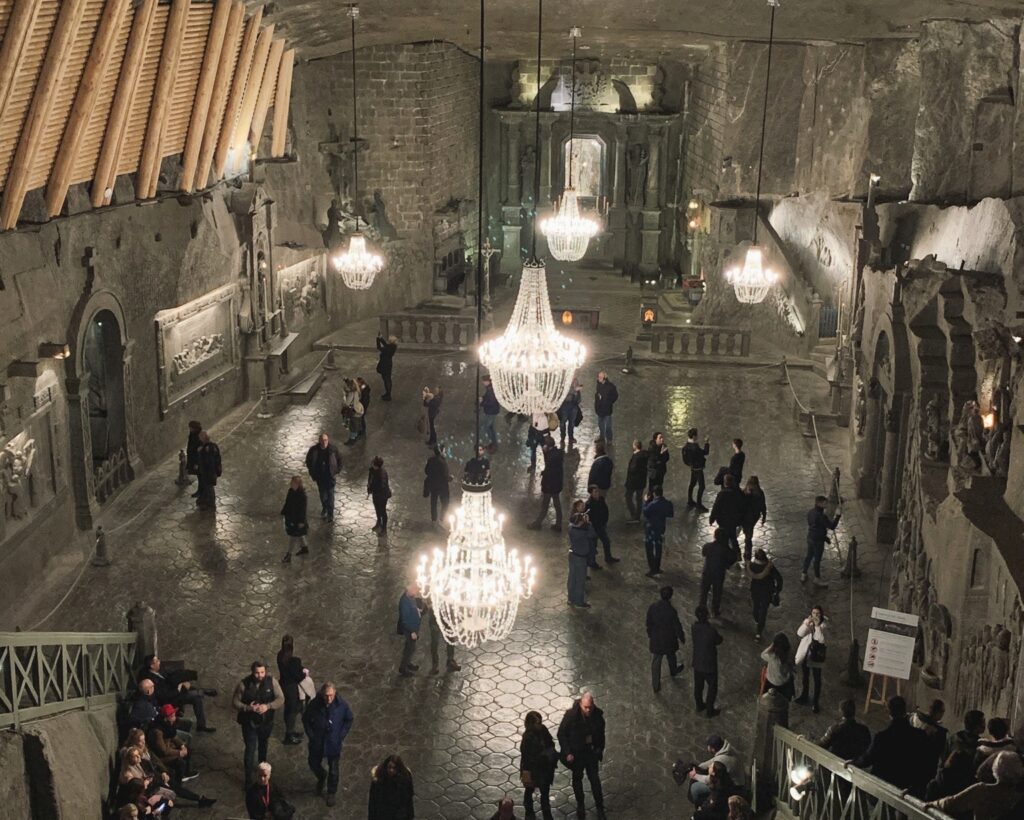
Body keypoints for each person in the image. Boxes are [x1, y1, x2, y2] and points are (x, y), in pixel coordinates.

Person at [853, 695, 933, 797]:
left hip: (883, 791)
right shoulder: (920, 736)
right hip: (909, 791)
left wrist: (853, 762)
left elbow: (867, 759)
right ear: (905, 711)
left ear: (889, 712)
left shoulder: (882, 737)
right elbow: (927, 763)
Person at [232, 660, 285, 786]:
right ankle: (248, 780)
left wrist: (268, 706)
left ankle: (263, 774)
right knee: (250, 750)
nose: (260, 675)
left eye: (262, 672)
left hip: (266, 723)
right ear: (252, 672)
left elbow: (281, 698)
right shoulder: (243, 684)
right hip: (249, 723)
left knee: (263, 747)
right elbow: (235, 702)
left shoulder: (272, 682)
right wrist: (248, 708)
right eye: (257, 673)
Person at [926, 751, 1024, 820]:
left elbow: (951, 804)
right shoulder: (1018, 798)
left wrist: (933, 804)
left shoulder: (982, 791)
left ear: (995, 768)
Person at [302, 682, 355, 807]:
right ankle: (321, 776)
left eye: (331, 695)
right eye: (326, 696)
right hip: (317, 742)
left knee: (334, 770)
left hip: (333, 742)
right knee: (313, 763)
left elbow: (349, 719)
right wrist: (311, 735)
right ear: (322, 694)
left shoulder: (341, 705)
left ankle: (331, 792)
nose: (329, 698)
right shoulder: (314, 705)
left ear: (335, 693)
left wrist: (340, 735)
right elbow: (306, 720)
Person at [558, 692, 606, 820]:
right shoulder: (571, 716)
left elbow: (601, 734)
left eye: (590, 707)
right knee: (577, 779)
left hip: (590, 753)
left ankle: (600, 807)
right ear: (580, 705)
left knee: (595, 780)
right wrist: (568, 752)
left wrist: (599, 749)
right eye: (586, 707)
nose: (588, 710)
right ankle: (580, 805)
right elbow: (561, 733)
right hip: (577, 754)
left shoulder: (597, 716)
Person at [139, 655, 213, 733]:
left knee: (195, 697)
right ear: (152, 666)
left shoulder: (160, 670)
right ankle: (202, 692)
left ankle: (201, 726)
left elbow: (171, 677)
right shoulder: (151, 681)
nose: (159, 662)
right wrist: (179, 687)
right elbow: (164, 696)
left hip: (174, 691)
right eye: (157, 661)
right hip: (170, 700)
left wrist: (182, 681)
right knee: (195, 697)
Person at [927, 710, 987, 800]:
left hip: (944, 783)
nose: (984, 725)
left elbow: (942, 760)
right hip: (962, 790)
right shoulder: (980, 746)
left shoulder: (953, 738)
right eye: (983, 721)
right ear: (976, 726)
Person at [647, 585, 685, 692]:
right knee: (671, 656)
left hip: (656, 639)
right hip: (669, 639)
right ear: (670, 596)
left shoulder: (653, 607)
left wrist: (650, 634)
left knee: (656, 662)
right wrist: (681, 637)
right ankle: (673, 670)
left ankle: (656, 685)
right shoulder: (671, 611)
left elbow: (648, 622)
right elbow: (677, 626)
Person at [520, 711, 557, 820]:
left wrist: (549, 752)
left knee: (545, 790)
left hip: (544, 768)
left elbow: (551, 742)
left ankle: (546, 809)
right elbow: (527, 756)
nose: (540, 725)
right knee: (529, 789)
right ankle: (529, 810)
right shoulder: (527, 737)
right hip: (533, 769)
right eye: (538, 723)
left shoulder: (543, 730)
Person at [688, 734, 745, 805]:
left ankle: (700, 805)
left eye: (708, 746)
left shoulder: (721, 763)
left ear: (712, 749)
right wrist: (698, 767)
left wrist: (695, 776)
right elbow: (712, 761)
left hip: (733, 788)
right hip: (738, 779)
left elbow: (712, 780)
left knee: (695, 788)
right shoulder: (727, 750)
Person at [794, 605, 828, 712]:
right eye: (814, 613)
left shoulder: (824, 625)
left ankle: (815, 702)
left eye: (818, 613)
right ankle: (804, 695)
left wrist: (817, 627)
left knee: (817, 679)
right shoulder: (808, 622)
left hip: (817, 656)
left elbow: (821, 640)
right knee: (805, 676)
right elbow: (800, 633)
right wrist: (806, 623)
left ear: (821, 614)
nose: (815, 615)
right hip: (806, 653)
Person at [692, 605, 722, 717]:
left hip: (697, 662)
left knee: (698, 686)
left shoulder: (694, 628)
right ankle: (710, 710)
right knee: (712, 687)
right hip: (709, 663)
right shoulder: (711, 631)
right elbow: (718, 640)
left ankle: (699, 705)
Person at [802, 494, 840, 584]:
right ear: (819, 504)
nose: (826, 504)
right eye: (824, 503)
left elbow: (815, 527)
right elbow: (832, 526)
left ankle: (804, 573)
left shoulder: (811, 512)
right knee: (817, 559)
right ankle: (817, 578)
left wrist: (825, 537)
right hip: (818, 541)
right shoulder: (821, 516)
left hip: (810, 537)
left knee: (809, 556)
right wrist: (838, 516)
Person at [529, 437, 564, 531]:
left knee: (545, 505)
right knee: (557, 504)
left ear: (548, 446)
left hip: (550, 485)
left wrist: (545, 453)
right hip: (556, 484)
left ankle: (537, 523)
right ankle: (558, 524)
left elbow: (548, 467)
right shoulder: (557, 453)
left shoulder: (551, 456)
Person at [276, 635, 306, 745]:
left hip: (284, 685)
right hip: (292, 688)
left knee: (288, 709)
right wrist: (303, 672)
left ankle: (291, 732)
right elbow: (298, 676)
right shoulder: (294, 661)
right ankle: (289, 734)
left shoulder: (280, 656)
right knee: (292, 711)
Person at [305, 433, 341, 522]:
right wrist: (312, 472)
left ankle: (330, 514)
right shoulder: (314, 450)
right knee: (323, 496)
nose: (324, 442)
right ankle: (325, 508)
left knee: (330, 496)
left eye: (326, 440)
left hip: (330, 478)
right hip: (320, 478)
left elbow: (339, 460)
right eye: (322, 440)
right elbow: (309, 461)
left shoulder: (333, 449)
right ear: (319, 441)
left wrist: (336, 471)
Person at [748, 548, 782, 640]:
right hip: (766, 592)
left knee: (756, 607)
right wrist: (777, 590)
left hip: (755, 591)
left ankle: (756, 619)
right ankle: (759, 632)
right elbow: (779, 579)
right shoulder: (770, 567)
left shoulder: (751, 566)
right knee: (763, 611)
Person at [421, 595, 460, 675]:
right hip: (435, 621)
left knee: (450, 639)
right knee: (435, 643)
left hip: (446, 619)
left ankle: (450, 660)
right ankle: (435, 665)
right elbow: (427, 603)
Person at [368, 754, 415, 819]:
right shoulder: (378, 781)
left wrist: (410, 815)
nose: (391, 770)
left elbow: (409, 799)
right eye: (389, 767)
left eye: (394, 768)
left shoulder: (405, 779)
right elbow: (372, 802)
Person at [910, 699, 948, 778]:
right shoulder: (940, 732)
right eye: (942, 711)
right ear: (937, 712)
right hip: (929, 767)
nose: (943, 714)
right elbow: (941, 753)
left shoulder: (915, 719)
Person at [709, 473, 743, 561]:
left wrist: (712, 518)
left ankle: (724, 555)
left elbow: (716, 506)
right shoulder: (738, 492)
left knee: (723, 538)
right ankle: (738, 554)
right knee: (733, 537)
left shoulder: (722, 493)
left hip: (723, 520)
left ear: (725, 483)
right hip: (733, 520)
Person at [700, 528, 733, 617]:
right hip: (719, 574)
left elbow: (703, 553)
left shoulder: (707, 546)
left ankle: (702, 608)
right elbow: (731, 560)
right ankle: (715, 610)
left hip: (707, 571)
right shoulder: (726, 550)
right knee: (717, 593)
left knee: (704, 591)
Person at [642, 485, 674, 577]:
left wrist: (645, 502)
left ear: (655, 494)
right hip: (661, 528)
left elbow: (645, 512)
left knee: (649, 548)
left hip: (651, 528)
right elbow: (670, 514)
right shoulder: (668, 503)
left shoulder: (652, 504)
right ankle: (657, 567)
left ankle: (652, 568)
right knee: (658, 547)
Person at [585, 484, 619, 565]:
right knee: (593, 545)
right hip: (594, 527)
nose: (597, 493)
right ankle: (592, 562)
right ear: (591, 493)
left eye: (597, 491)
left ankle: (608, 557)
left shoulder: (601, 499)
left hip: (601, 525)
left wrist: (605, 521)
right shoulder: (589, 504)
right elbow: (588, 517)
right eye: (595, 492)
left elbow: (605, 510)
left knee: (606, 541)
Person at [567, 509, 593, 608]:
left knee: (572, 578)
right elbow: (592, 534)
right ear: (579, 523)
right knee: (580, 580)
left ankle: (570, 599)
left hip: (572, 554)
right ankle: (579, 601)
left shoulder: (571, 527)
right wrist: (588, 523)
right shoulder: (582, 533)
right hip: (580, 557)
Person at [280, 476, 309, 563]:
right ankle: (304, 548)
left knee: (293, 537)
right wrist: (284, 511)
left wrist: (301, 521)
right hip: (291, 518)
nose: (291, 484)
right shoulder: (291, 491)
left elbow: (303, 510)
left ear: (298, 484)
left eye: (293, 483)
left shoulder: (302, 496)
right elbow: (287, 502)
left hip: (298, 519)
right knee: (299, 534)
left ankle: (288, 555)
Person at [682, 428, 710, 512]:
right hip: (698, 469)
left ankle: (690, 500)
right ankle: (699, 504)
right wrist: (707, 443)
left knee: (692, 484)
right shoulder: (695, 447)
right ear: (694, 436)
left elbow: (685, 459)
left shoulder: (686, 446)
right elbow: (705, 452)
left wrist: (690, 464)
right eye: (696, 435)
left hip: (693, 468)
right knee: (702, 486)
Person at [739, 476, 766, 563]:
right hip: (754, 517)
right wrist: (764, 516)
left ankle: (747, 553)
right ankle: (748, 554)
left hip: (746, 517)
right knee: (748, 534)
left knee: (748, 534)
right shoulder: (760, 493)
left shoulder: (744, 492)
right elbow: (763, 505)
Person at [760, 633, 795, 699]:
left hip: (771, 681)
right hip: (784, 682)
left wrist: (771, 646)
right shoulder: (789, 655)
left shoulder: (773, 656)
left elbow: (763, 654)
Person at [397, 583, 422, 677]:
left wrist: (417, 611)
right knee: (409, 649)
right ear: (409, 590)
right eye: (414, 590)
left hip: (414, 628)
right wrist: (412, 632)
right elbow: (404, 619)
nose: (416, 592)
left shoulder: (410, 597)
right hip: (410, 630)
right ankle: (403, 668)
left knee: (411, 648)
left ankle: (408, 663)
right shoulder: (404, 602)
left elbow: (413, 607)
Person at [424, 447, 451, 528]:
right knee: (445, 503)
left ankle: (434, 519)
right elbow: (445, 475)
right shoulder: (443, 462)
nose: (445, 453)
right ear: (441, 452)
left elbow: (426, 471)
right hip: (442, 486)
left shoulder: (430, 460)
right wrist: (450, 478)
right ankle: (441, 519)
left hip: (433, 484)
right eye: (444, 451)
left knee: (433, 502)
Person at [195, 430, 222, 510]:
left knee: (209, 487)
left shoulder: (208, 448)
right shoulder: (211, 446)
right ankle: (206, 501)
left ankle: (211, 504)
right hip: (208, 471)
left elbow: (209, 461)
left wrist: (201, 451)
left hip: (209, 472)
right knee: (207, 487)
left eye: (200, 438)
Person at [624, 439, 649, 522]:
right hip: (641, 482)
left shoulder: (636, 457)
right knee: (639, 499)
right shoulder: (645, 455)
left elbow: (632, 469)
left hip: (633, 483)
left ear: (635, 446)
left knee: (628, 497)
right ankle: (638, 515)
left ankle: (633, 513)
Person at [368, 455, 391, 535]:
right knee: (377, 509)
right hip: (376, 494)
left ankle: (384, 529)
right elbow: (370, 480)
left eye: (373, 462)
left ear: (376, 464)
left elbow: (382, 486)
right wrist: (369, 488)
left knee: (383, 511)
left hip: (382, 495)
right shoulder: (372, 470)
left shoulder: (382, 474)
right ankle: (378, 522)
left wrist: (373, 488)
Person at [594, 371, 618, 443]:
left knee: (608, 426)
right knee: (600, 425)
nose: (599, 378)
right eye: (598, 377)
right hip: (600, 409)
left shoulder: (611, 386)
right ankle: (602, 437)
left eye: (600, 377)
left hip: (607, 410)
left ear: (604, 378)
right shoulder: (598, 385)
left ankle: (609, 439)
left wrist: (609, 401)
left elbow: (615, 396)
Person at [341, 378, 365, 445]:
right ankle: (358, 434)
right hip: (359, 409)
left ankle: (352, 440)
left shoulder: (352, 394)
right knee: (357, 424)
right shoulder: (357, 391)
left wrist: (344, 397)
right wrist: (346, 380)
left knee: (352, 426)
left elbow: (346, 404)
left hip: (353, 411)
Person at [480, 375, 501, 451]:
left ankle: (493, 443)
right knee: (490, 427)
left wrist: (482, 402)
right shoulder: (490, 388)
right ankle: (493, 442)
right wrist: (483, 397)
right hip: (492, 410)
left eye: (484, 381)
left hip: (491, 411)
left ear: (488, 381)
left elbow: (491, 402)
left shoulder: (491, 390)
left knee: (487, 427)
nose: (483, 382)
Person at [376, 334, 397, 400]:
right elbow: (386, 345)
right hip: (388, 364)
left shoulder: (386, 349)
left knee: (386, 379)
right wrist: (381, 338)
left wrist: (378, 340)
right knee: (388, 378)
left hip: (384, 364)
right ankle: (388, 393)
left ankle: (388, 394)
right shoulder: (393, 347)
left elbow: (379, 347)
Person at [186, 420, 202, 498]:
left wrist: (197, 463)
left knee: (201, 476)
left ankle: (201, 492)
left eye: (190, 428)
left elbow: (199, 451)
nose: (189, 429)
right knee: (199, 476)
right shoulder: (192, 434)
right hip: (192, 457)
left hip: (197, 460)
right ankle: (200, 491)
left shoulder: (198, 437)